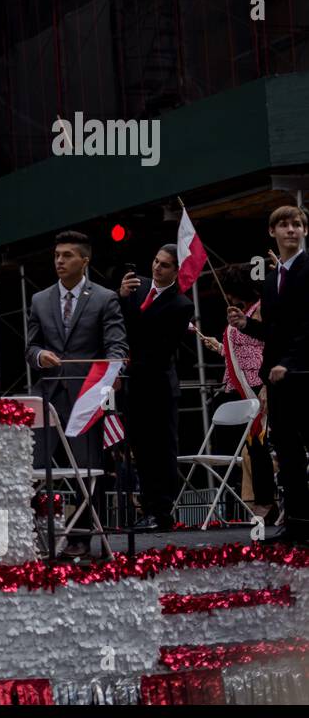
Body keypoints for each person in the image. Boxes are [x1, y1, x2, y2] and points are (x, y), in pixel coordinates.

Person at [25, 230, 128, 558]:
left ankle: (81, 538)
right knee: (33, 468)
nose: (59, 261)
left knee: (87, 470)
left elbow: (116, 344)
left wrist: (115, 375)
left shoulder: (104, 298)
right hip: (48, 394)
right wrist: (40, 356)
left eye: (67, 255)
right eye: (57, 255)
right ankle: (30, 534)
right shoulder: (39, 300)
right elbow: (31, 347)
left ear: (85, 260)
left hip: (87, 394)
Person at [228, 205, 309, 545]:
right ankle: (298, 524)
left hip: (303, 373)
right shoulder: (275, 278)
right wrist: (249, 326)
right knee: (288, 453)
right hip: (279, 379)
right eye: (284, 225)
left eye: (298, 224)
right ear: (272, 233)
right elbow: (278, 330)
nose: (292, 229)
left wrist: (289, 361)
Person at [118, 245, 196, 531]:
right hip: (134, 384)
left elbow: (156, 345)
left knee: (161, 450)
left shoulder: (182, 304)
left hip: (158, 384)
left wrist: (129, 306)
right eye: (155, 260)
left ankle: (161, 511)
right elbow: (120, 324)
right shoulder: (136, 288)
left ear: (176, 270)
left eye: (164, 265)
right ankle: (148, 507)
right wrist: (122, 297)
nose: (156, 267)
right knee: (140, 449)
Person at [202, 276, 276, 522]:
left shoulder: (260, 309)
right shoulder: (239, 314)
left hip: (256, 383)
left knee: (258, 445)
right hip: (237, 383)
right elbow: (243, 349)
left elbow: (268, 346)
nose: (228, 299)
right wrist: (220, 348)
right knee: (248, 446)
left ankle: (266, 501)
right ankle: (257, 499)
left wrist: (266, 385)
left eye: (230, 294)